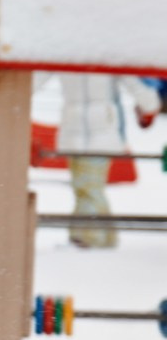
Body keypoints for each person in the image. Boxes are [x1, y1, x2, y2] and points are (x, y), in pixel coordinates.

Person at [53, 73, 160, 249]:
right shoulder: (66, 54)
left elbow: (133, 82)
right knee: (82, 188)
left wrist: (149, 104)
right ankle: (103, 237)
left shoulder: (103, 54)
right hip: (73, 131)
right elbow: (37, 79)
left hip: (101, 132)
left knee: (90, 187)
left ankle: (91, 238)